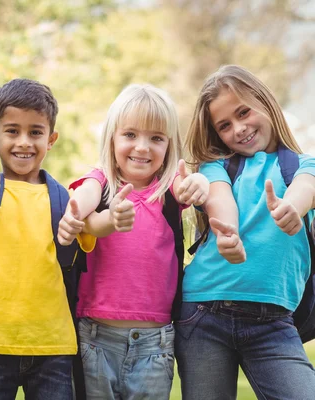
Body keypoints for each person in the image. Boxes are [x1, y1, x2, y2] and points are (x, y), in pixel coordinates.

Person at [57, 83, 209, 399]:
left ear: (169, 145)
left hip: (156, 344)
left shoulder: (170, 191)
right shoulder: (101, 182)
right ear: (112, 138)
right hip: (95, 340)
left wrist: (199, 182)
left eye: (156, 138)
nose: (142, 147)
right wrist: (74, 216)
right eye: (130, 135)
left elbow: (194, 185)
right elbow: (83, 196)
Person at [177, 64, 315, 399]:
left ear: (265, 103)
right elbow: (220, 203)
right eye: (225, 125)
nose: (239, 129)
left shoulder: (303, 165)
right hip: (203, 311)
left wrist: (290, 210)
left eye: (243, 112)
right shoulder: (216, 168)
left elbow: (305, 189)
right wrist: (229, 236)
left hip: (274, 322)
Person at [0, 78, 81, 400]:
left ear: (51, 139)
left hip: (54, 344)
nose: (24, 142)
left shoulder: (63, 198)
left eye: (35, 132)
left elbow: (87, 235)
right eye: (12, 131)